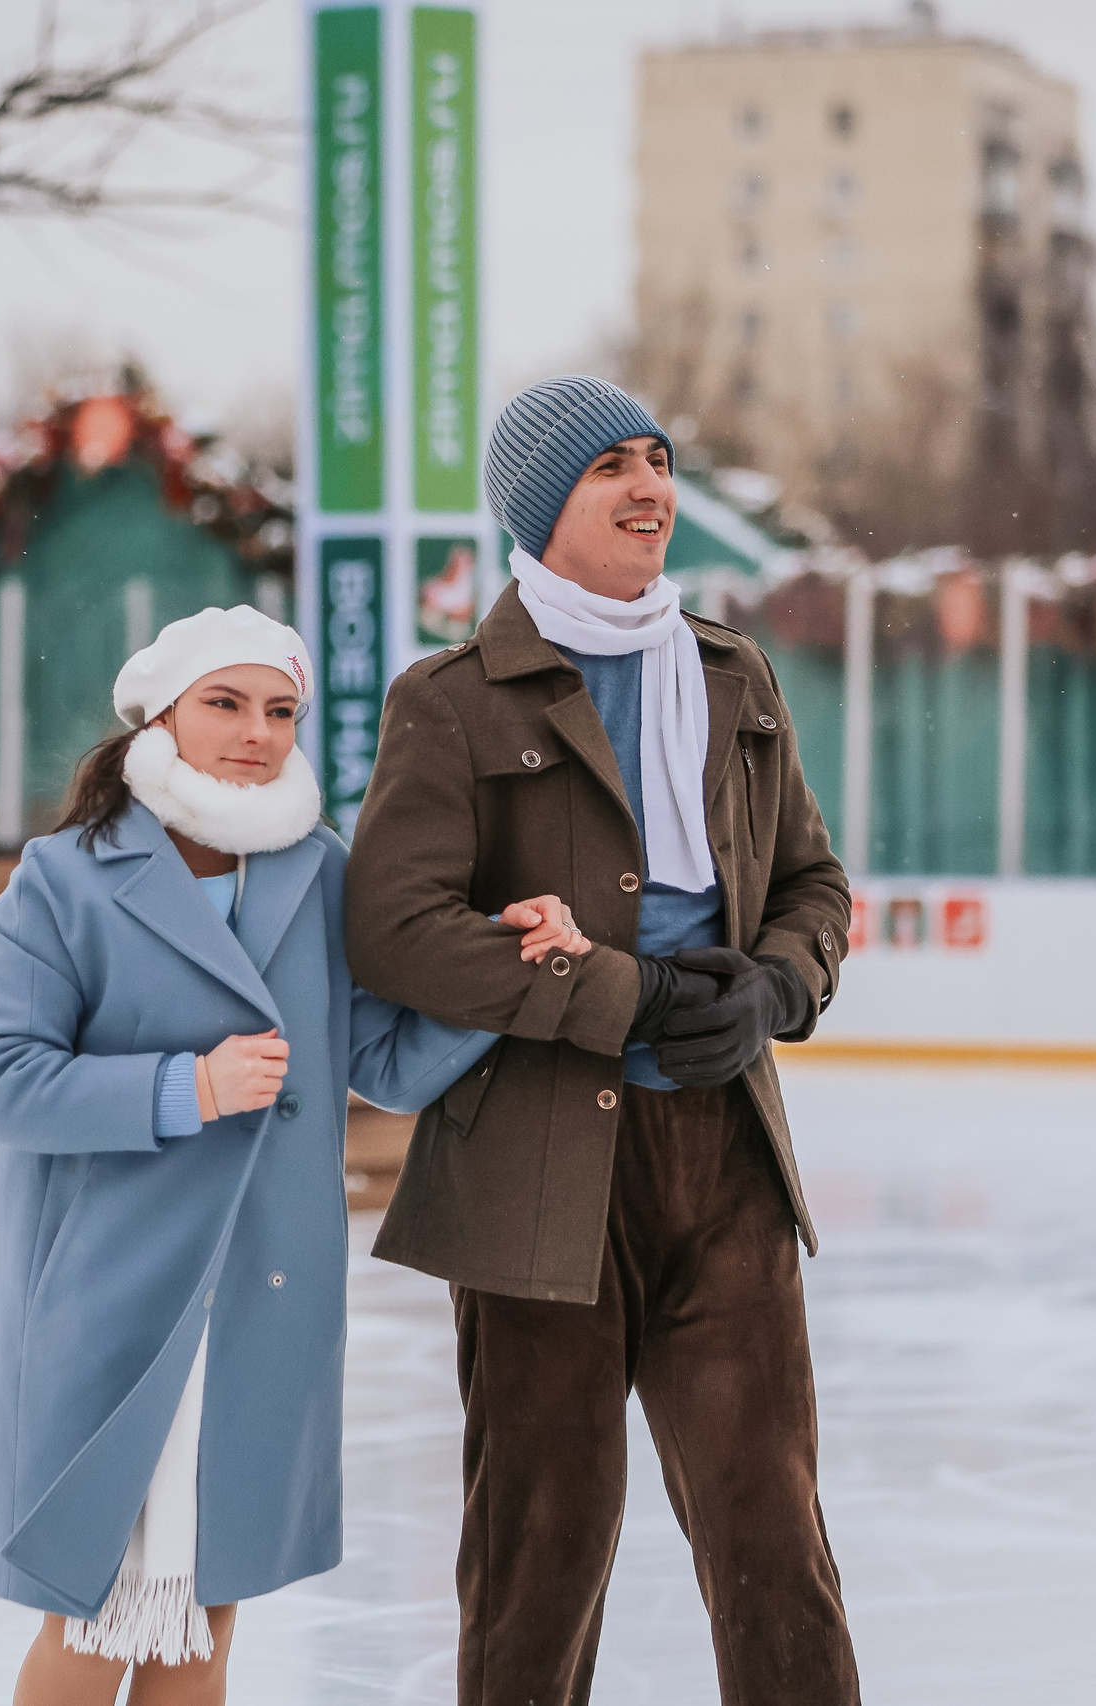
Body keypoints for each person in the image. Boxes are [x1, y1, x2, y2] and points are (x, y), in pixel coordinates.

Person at [344, 375, 861, 1705]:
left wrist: (774, 991)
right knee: (540, 1554)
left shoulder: (734, 676)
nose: (648, 487)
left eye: (657, 458)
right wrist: (615, 996)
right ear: (538, 506)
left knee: (773, 1543)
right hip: (535, 1174)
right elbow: (397, 929)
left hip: (724, 1164)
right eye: (605, 469)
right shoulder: (454, 701)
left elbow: (812, 886)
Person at [0, 606, 587, 1706]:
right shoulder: (61, 881)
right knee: (95, 1616)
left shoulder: (320, 873)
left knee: (202, 1624)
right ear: (160, 713)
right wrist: (185, 1086)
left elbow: (385, 1063)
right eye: (225, 703)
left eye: (280, 709)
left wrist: (515, 970)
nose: (255, 731)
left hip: (261, 1295)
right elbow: (1, 1082)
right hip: (119, 1302)